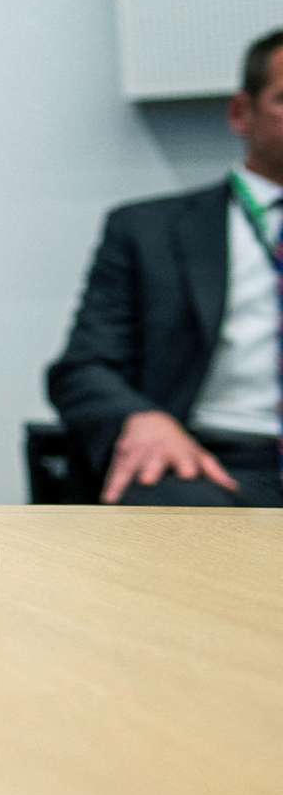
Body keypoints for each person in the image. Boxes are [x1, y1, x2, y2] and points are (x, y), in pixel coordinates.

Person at [48, 28, 283, 506]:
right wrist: (142, 419)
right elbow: (83, 370)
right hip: (211, 461)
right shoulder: (147, 231)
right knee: (170, 512)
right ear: (242, 112)